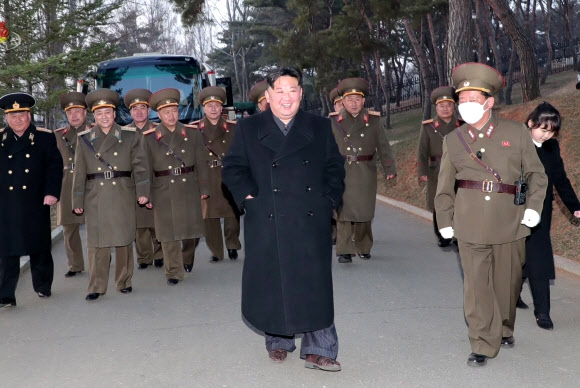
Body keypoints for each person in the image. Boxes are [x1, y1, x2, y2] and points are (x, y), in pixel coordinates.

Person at [222, 67, 345, 372]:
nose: (287, 97)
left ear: (302, 94)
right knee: (272, 280)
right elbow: (232, 168)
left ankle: (321, 347)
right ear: (268, 95)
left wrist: (327, 199)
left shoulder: (319, 126)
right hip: (268, 217)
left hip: (309, 219)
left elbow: (335, 167)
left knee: (314, 284)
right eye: (280, 91)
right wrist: (250, 196)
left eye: (293, 91)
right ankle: (278, 339)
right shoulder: (249, 129)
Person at [435, 62, 548, 367]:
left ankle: (505, 327)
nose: (466, 105)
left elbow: (537, 175)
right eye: (462, 100)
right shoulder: (453, 140)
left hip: (510, 223)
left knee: (507, 284)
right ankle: (483, 342)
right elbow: (444, 185)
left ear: (489, 102)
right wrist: (444, 221)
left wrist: (533, 210)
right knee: (476, 287)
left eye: (473, 99)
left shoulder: (515, 132)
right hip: (469, 222)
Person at [72, 89, 150, 301]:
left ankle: (123, 280)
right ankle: (96, 286)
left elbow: (141, 167)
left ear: (114, 114)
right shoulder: (85, 139)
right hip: (95, 194)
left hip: (123, 192)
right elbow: (79, 172)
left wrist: (143, 192)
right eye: (99, 113)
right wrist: (77, 199)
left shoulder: (130, 136)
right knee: (97, 243)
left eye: (108, 112)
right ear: (94, 116)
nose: (104, 117)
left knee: (124, 239)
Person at [516, 102, 580, 330]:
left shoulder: (552, 148)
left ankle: (542, 312)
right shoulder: (517, 143)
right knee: (517, 257)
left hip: (541, 212)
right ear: (530, 123)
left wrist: (575, 206)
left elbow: (560, 179)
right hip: (514, 210)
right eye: (543, 129)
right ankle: (512, 294)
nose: (547, 135)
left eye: (552, 131)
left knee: (539, 258)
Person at [0, 93, 63, 307]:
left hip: (35, 200)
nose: (18, 120)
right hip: (6, 203)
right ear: (7, 118)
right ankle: (5, 294)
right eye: (13, 116)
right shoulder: (0, 139)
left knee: (39, 245)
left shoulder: (44, 137)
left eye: (22, 115)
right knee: (6, 250)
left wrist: (52, 192)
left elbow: (54, 167)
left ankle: (43, 285)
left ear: (29, 115)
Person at [141, 88, 209, 281]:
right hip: (163, 188)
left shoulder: (192, 133)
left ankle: (187, 258)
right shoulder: (149, 137)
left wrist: (204, 188)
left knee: (191, 231)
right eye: (166, 112)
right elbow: (145, 169)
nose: (171, 115)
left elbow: (201, 163)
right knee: (168, 232)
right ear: (159, 114)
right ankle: (173, 271)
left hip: (188, 187)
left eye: (174, 111)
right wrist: (146, 193)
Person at [330, 77, 397, 263]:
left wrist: (389, 168)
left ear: (363, 101)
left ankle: (363, 245)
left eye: (357, 99)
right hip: (341, 171)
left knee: (364, 211)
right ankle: (344, 250)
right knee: (342, 210)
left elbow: (383, 146)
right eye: (349, 100)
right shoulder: (334, 121)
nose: (353, 103)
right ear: (343, 101)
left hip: (365, 171)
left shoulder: (373, 121)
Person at [190, 86, 241, 263]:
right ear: (203, 108)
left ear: (222, 108)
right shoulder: (195, 130)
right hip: (206, 174)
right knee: (209, 216)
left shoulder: (234, 128)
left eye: (216, 105)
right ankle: (216, 251)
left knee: (231, 213)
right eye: (209, 105)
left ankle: (232, 244)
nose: (213, 109)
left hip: (227, 173)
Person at [123, 88, 164, 270]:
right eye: (135, 109)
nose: (139, 112)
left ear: (149, 111)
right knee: (138, 224)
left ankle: (160, 253)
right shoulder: (124, 133)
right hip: (133, 183)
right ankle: (144, 257)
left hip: (156, 181)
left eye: (143, 108)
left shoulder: (157, 130)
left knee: (157, 220)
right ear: (130, 112)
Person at [417, 86, 462, 247]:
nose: (445, 108)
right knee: (440, 201)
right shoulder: (428, 127)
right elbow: (422, 151)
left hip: (459, 169)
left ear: (453, 107)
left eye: (448, 105)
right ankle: (442, 234)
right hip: (436, 169)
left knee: (459, 201)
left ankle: (458, 235)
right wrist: (422, 171)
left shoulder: (462, 125)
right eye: (441, 106)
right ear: (436, 107)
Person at [55, 91, 88, 277]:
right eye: (70, 112)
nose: (74, 115)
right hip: (67, 183)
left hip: (90, 183)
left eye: (78, 111)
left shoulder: (94, 131)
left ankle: (101, 258)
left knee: (96, 224)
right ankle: (75, 265)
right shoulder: (59, 136)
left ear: (85, 113)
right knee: (69, 227)